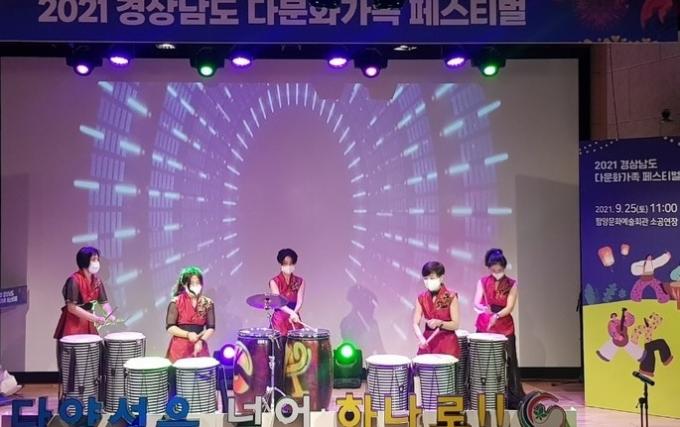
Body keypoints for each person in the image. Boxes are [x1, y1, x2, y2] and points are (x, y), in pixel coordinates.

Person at [473, 248, 525, 409]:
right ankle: (481, 395)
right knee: (481, 360)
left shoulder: (512, 284)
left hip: (504, 324)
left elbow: (509, 307)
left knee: (510, 360)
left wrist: (496, 315)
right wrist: (483, 308)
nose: (496, 273)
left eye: (499, 270)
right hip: (485, 323)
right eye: (493, 270)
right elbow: (476, 302)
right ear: (489, 268)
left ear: (504, 267)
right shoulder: (482, 282)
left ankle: (514, 397)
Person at [53, 246, 115, 340]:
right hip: (73, 322)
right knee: (77, 346)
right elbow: (72, 308)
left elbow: (104, 302)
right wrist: (95, 318)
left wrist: (109, 314)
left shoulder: (97, 281)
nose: (97, 263)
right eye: (93, 260)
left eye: (97, 260)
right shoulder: (74, 280)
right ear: (84, 261)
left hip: (88, 320)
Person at [166, 266, 215, 363]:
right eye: (192, 283)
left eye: (198, 283)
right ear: (184, 284)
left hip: (200, 348)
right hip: (179, 351)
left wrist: (201, 341)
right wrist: (188, 334)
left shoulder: (207, 303)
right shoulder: (176, 302)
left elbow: (211, 327)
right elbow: (170, 327)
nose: (195, 286)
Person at [412, 261, 460, 358]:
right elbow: (415, 323)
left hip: (446, 342)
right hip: (428, 341)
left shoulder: (451, 296)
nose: (428, 281)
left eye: (432, 278)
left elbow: (455, 324)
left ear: (441, 278)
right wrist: (421, 338)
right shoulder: (421, 298)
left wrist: (440, 323)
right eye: (425, 278)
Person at [269, 248, 305, 336]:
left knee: (296, 342)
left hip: (294, 318)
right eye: (285, 264)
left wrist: (294, 313)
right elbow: (278, 302)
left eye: (291, 263)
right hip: (279, 320)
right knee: (279, 342)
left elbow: (299, 301)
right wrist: (291, 312)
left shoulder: (300, 281)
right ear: (281, 264)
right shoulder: (274, 281)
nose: (288, 266)